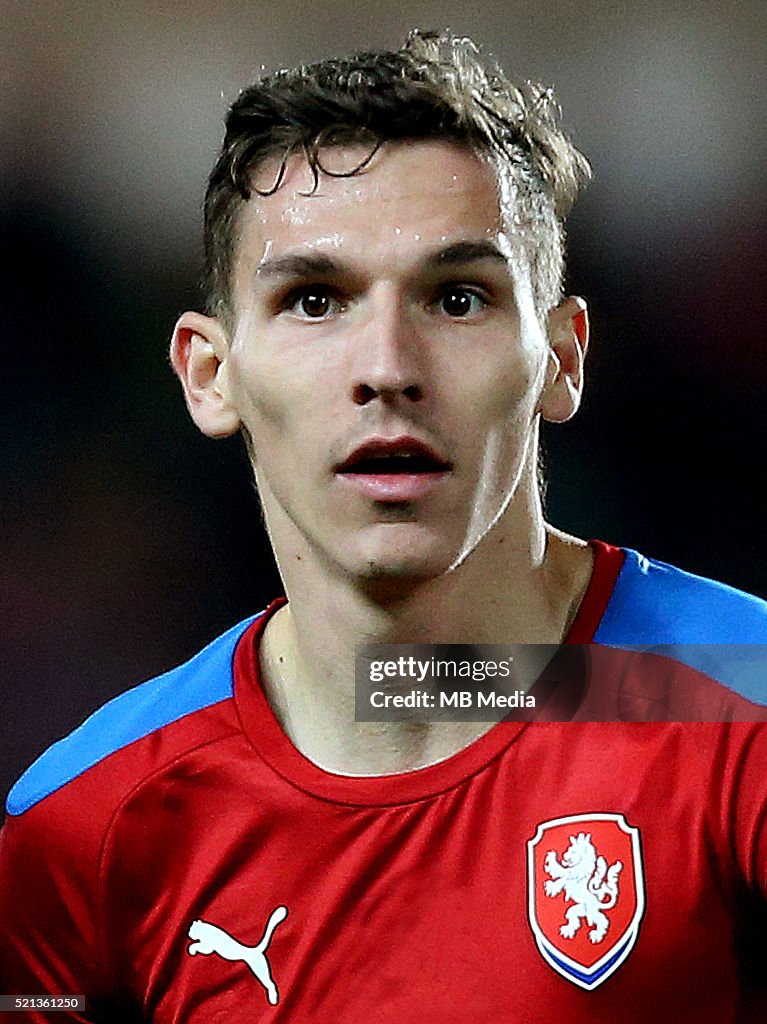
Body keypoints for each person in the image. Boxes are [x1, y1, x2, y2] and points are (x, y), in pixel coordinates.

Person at [1, 29, 765, 1022]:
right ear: (209, 372)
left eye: (456, 298)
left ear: (561, 359)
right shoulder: (84, 825)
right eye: (313, 299)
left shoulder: (737, 707)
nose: (388, 365)